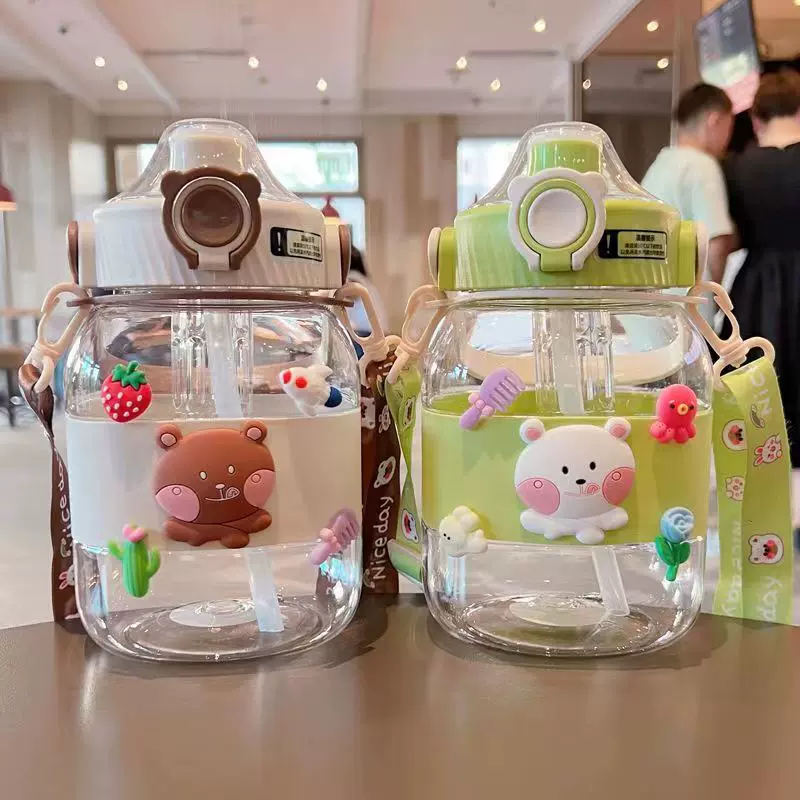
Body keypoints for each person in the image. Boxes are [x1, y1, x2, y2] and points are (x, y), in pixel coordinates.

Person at [722, 70, 800, 465]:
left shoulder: (735, 167)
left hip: (758, 285)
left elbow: (731, 235)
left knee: (758, 381)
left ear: (755, 119)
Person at [643, 83, 736, 289]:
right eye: (729, 128)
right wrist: (718, 293)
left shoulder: (660, 165)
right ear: (714, 120)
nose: (728, 139)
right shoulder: (702, 165)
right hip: (689, 299)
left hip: (656, 295)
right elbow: (716, 244)